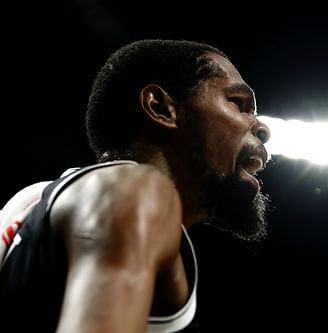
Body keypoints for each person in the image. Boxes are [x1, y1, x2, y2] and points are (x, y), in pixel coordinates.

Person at [0, 39, 271, 333]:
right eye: (237, 102)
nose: (262, 128)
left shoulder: (28, 202)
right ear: (161, 108)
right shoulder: (138, 193)